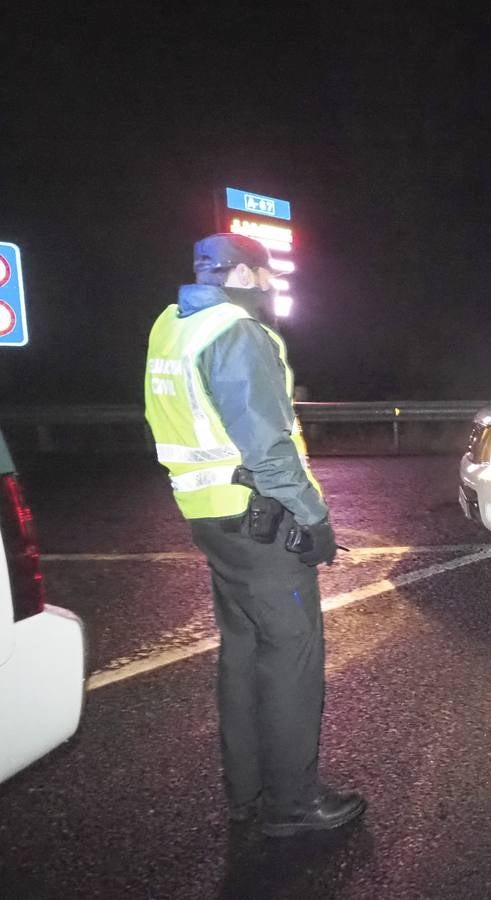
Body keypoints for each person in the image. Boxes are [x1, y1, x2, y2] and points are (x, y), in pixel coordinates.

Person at [143, 233, 365, 838]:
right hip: (259, 520)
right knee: (292, 655)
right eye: (265, 276)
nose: (271, 287)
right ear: (240, 274)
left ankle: (248, 794)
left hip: (208, 516)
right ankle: (293, 806)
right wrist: (314, 518)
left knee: (242, 652)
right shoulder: (236, 334)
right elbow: (268, 447)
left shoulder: (171, 327)